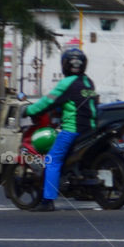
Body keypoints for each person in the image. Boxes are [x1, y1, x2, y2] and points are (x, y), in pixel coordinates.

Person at [23, 47, 98, 212]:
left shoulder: (66, 83)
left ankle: (47, 200)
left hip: (72, 130)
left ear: (65, 65)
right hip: (91, 130)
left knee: (52, 160)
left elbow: (48, 102)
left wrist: (28, 110)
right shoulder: (88, 82)